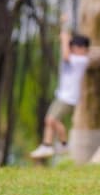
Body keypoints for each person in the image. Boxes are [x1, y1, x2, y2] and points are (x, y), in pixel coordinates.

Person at [30, 17, 91, 159]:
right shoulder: (73, 57)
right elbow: (65, 51)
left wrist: (64, 39)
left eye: (74, 47)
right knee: (52, 121)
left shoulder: (82, 60)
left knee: (50, 120)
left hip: (68, 98)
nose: (72, 49)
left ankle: (48, 145)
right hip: (63, 96)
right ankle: (62, 144)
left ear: (83, 49)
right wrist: (64, 27)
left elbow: (65, 54)